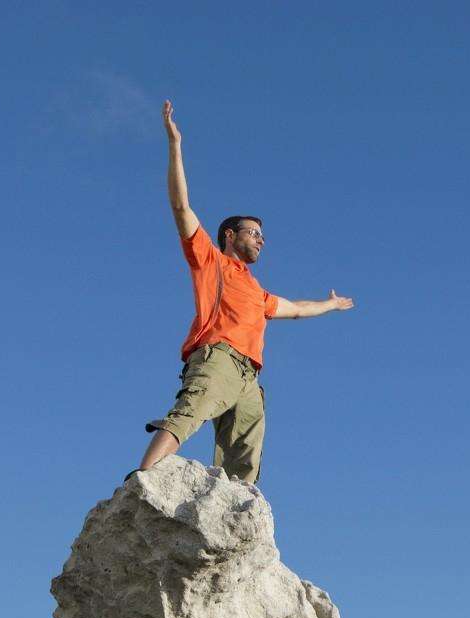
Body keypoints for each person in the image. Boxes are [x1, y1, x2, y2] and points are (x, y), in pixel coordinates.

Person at [132, 100, 355, 483]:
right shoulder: (212, 261)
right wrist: (175, 145)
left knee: (245, 454)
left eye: (263, 236)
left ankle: (235, 517)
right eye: (254, 233)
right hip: (218, 358)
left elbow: (297, 309)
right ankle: (140, 481)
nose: (261, 241)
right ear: (230, 236)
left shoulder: (257, 291)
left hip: (249, 376)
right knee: (190, 413)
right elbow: (180, 205)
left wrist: (330, 304)